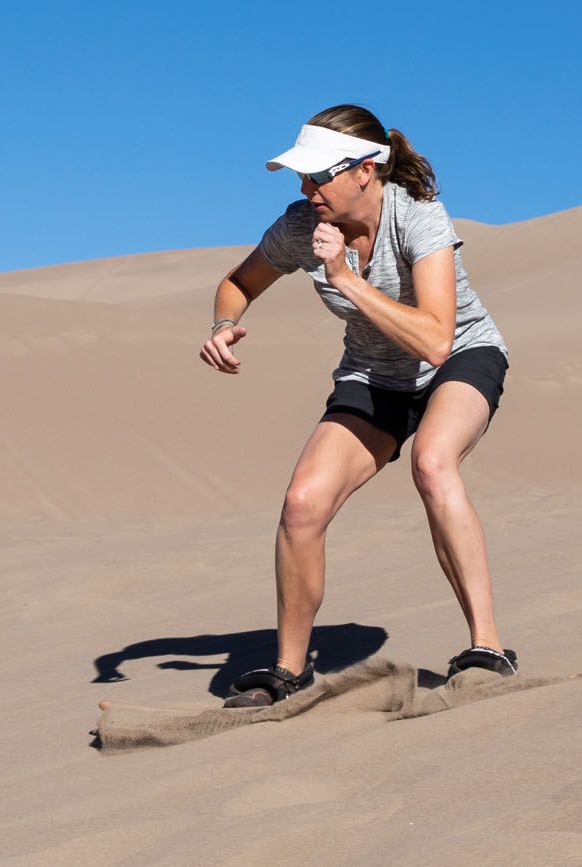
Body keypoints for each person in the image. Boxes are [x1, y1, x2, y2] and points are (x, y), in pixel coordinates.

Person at [199, 104, 516, 707]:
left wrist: (345, 277)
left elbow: (435, 338)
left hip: (457, 360)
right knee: (301, 504)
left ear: (365, 170)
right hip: (374, 376)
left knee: (433, 461)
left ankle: (488, 648)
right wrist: (223, 323)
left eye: (318, 175)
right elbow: (237, 283)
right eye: (301, 176)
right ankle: (289, 672)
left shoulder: (418, 216)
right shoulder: (298, 228)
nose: (305, 189)